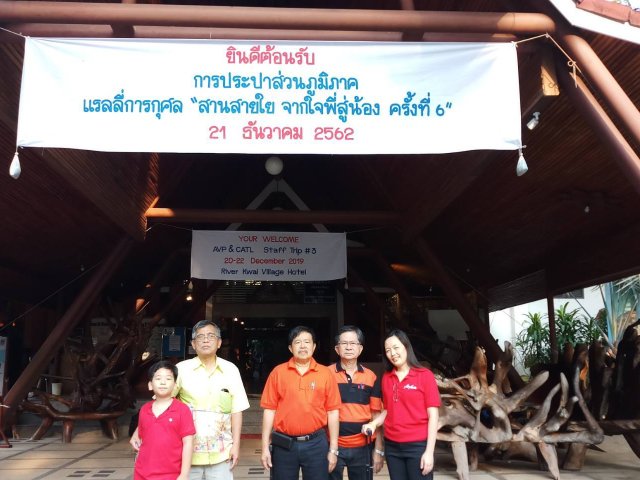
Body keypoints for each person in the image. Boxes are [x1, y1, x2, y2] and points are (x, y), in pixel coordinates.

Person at [132, 320, 250, 480]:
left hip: (221, 453)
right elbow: (160, 402)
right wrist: (138, 431)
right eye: (200, 337)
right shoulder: (181, 369)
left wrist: (236, 446)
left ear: (219, 342)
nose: (206, 340)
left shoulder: (231, 370)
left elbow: (236, 410)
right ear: (193, 344)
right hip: (187, 454)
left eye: (211, 336)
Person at [260, 325, 341, 480]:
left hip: (316, 444)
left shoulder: (326, 374)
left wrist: (333, 449)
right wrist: (264, 448)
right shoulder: (278, 372)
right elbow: (269, 410)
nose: (303, 346)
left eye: (307, 342)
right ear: (291, 348)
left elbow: (333, 412)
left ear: (314, 346)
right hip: (284, 444)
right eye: (298, 342)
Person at [362, 329, 441, 480]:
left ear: (406, 347)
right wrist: (374, 424)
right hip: (392, 448)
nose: (392, 353)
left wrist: (429, 452)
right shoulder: (387, 377)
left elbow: (434, 416)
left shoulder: (425, 375)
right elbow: (388, 410)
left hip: (418, 446)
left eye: (396, 348)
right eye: (388, 350)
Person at [330, 325, 384, 480]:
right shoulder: (325, 374)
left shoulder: (371, 377)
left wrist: (378, 450)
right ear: (337, 349)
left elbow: (376, 415)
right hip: (332, 445)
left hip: (363, 446)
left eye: (353, 343)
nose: (348, 347)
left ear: (360, 349)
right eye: (344, 343)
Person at [133, 360, 196, 480]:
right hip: (142, 473)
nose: (163, 382)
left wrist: (184, 474)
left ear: (175, 385)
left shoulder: (182, 410)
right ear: (150, 385)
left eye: (168, 378)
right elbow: (143, 440)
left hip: (172, 475)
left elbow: (188, 443)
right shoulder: (144, 410)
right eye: (158, 378)